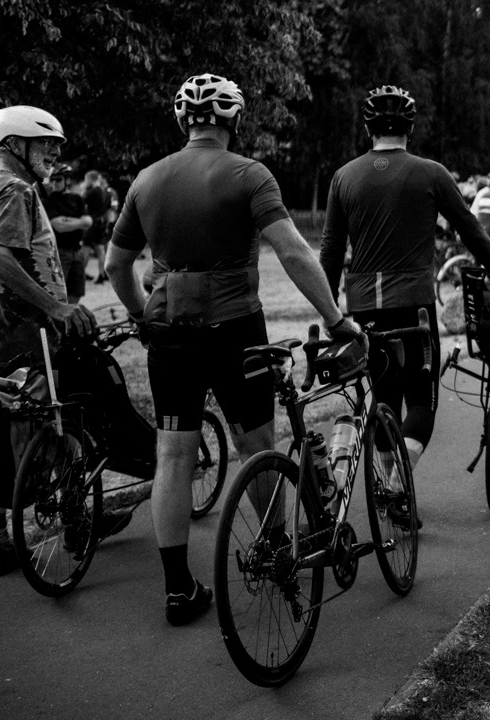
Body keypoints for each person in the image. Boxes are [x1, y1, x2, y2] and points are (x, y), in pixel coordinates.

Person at [106, 74, 364, 625]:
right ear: (233, 120)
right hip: (235, 331)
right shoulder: (249, 174)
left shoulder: (147, 180)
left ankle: (179, 589)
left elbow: (115, 265)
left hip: (170, 332)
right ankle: (275, 552)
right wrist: (335, 319)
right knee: (257, 445)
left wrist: (141, 315)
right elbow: (293, 252)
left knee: (173, 456)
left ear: (184, 122)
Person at [321, 85, 490, 514]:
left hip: (363, 307)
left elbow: (330, 249)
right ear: (410, 127)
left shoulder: (343, 176)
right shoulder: (431, 172)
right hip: (414, 308)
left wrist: (328, 308)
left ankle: (390, 487)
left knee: (383, 400)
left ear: (367, 128)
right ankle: (396, 486)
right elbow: (468, 227)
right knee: (422, 402)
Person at [0, 106, 104, 578]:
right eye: (46, 144)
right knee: (59, 423)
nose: (56, 153)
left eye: (58, 145)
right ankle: (78, 520)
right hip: (18, 336)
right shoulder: (17, 190)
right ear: (15, 146)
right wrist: (57, 308)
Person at [44, 165, 93, 306]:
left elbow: (88, 221)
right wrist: (79, 221)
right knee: (58, 292)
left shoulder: (76, 198)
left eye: (58, 180)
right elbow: (59, 226)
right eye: (52, 180)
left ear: (68, 180)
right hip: (59, 252)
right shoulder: (49, 200)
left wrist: (67, 220)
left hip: (77, 251)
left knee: (77, 291)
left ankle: (69, 320)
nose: (54, 183)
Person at [82, 170, 117, 283]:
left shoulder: (92, 191)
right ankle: (102, 274)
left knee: (86, 248)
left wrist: (84, 189)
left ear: (90, 179)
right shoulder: (105, 192)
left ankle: (80, 273)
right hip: (101, 223)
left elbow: (81, 201)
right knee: (100, 249)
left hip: (92, 223)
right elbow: (109, 208)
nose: (85, 182)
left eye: (86, 179)